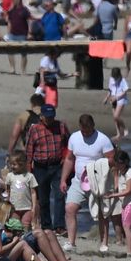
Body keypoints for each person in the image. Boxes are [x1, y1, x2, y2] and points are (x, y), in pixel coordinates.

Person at [60, 114, 115, 251]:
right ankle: (71, 243)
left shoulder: (103, 139)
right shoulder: (74, 137)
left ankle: (104, 243)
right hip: (78, 181)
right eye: (83, 130)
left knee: (102, 213)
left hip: (97, 182)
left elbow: (112, 160)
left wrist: (113, 181)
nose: (85, 133)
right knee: (70, 208)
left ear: (93, 125)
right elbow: (69, 159)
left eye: (88, 130)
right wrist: (63, 179)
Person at [24, 105, 69, 234]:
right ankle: (46, 225)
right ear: (42, 117)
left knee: (60, 195)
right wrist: (29, 173)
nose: (50, 120)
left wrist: (65, 158)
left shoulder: (61, 126)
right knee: (43, 198)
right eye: (48, 117)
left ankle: (59, 226)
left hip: (57, 166)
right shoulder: (35, 130)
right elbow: (29, 152)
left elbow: (68, 143)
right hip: (40, 167)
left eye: (52, 117)